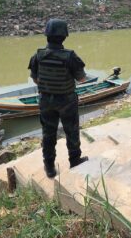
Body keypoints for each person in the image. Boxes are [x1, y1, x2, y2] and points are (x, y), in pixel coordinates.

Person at [28, 18, 89, 178]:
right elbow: (82, 78)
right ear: (64, 36)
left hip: (46, 101)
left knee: (48, 134)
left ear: (47, 35)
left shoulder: (38, 55)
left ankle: (49, 167)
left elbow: (35, 79)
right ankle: (75, 160)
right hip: (67, 101)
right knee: (71, 131)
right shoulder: (70, 56)